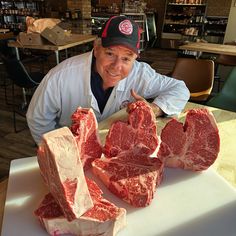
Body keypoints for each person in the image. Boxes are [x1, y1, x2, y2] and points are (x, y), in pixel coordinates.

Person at [26, 15, 190, 145]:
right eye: (110, 54)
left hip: (117, 148)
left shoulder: (140, 73)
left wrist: (154, 109)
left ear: (134, 59)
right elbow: (38, 119)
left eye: (126, 58)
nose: (117, 66)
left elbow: (180, 89)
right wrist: (59, 152)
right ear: (96, 50)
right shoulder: (60, 77)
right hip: (72, 147)